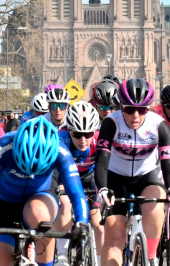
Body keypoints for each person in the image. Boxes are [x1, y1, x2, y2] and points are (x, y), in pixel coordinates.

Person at [0, 117, 89, 266]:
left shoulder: (60, 151)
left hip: (39, 197)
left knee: (40, 215)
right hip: (3, 203)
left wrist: (82, 223)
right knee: (0, 261)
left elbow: (76, 193)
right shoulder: (3, 147)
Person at [95, 78, 170, 266]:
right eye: (129, 109)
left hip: (147, 176)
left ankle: (150, 258)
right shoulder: (111, 123)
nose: (135, 115)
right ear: (120, 106)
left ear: (149, 108)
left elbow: (168, 164)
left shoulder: (159, 125)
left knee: (156, 207)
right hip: (116, 178)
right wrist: (102, 189)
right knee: (114, 238)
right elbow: (101, 162)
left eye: (142, 110)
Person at [55, 101, 103, 265]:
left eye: (88, 134)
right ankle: (62, 255)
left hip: (90, 179)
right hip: (66, 178)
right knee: (64, 203)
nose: (83, 140)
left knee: (98, 223)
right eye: (77, 135)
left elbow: (108, 166)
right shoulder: (61, 139)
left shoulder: (99, 139)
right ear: (69, 131)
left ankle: (99, 260)